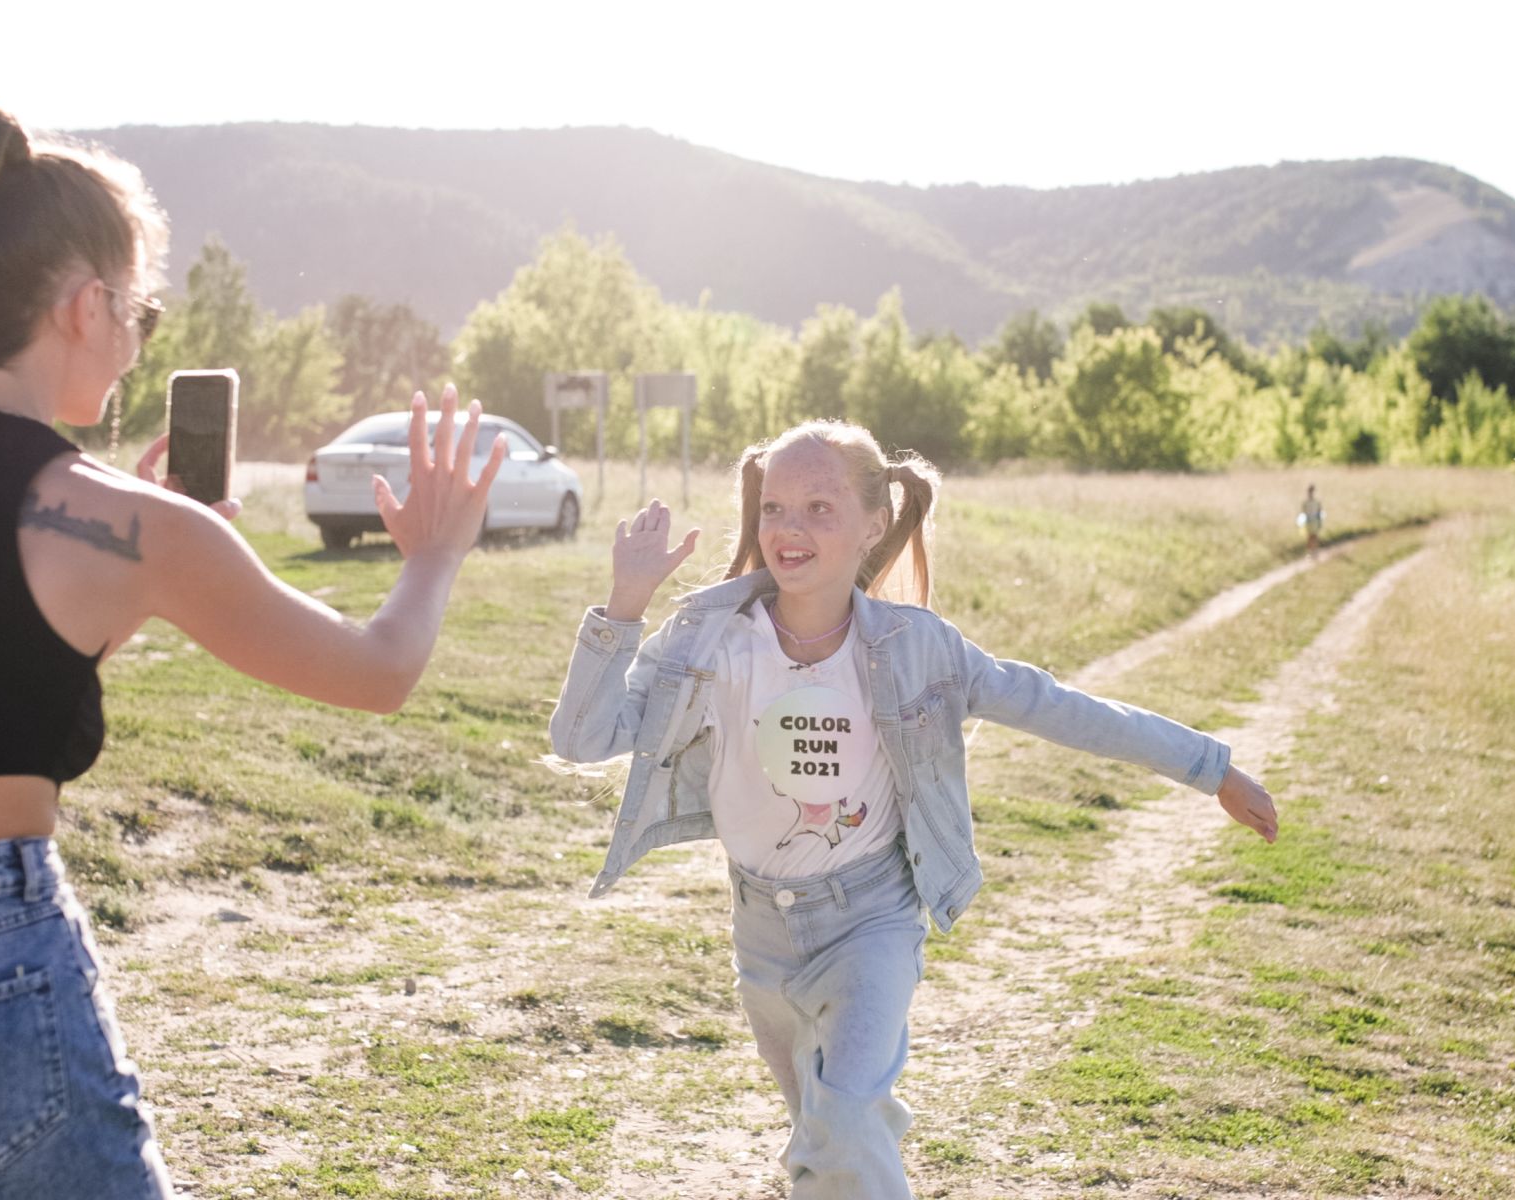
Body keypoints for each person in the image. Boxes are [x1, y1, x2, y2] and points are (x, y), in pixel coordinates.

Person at [0, 101, 504, 1199]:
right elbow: (380, 670)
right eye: (140, 308)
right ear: (85, 305)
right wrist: (434, 553)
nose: (139, 334)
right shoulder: (119, 527)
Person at [547, 420, 1278, 1198]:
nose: (788, 530)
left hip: (872, 921)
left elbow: (1057, 707)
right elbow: (582, 739)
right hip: (761, 934)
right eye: (775, 509)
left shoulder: (920, 650)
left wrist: (1212, 768)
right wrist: (625, 603)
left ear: (873, 526)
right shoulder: (712, 640)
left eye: (819, 509)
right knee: (831, 1136)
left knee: (842, 1131)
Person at [1300, 483, 1324, 557]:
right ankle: (1310, 552)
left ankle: (1315, 551)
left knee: (1315, 536)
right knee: (1309, 537)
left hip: (1315, 521)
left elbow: (1319, 511)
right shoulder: (1305, 502)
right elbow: (1303, 512)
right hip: (1308, 521)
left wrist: (1320, 521)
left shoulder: (1317, 501)